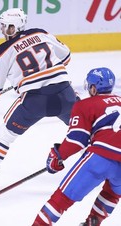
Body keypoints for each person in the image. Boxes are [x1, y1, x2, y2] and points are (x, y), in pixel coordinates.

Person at [0, 8, 77, 188]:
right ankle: (108, 154)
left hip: (35, 101)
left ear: (12, 27)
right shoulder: (40, 33)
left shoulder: (1, 51)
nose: (3, 29)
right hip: (65, 94)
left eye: (5, 26)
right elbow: (65, 56)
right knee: (87, 126)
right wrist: (43, 71)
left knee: (5, 134)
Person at [32, 67, 121, 226]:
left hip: (101, 157)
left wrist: (57, 156)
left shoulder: (86, 104)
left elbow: (76, 141)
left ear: (93, 88)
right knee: (112, 194)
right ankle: (93, 222)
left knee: (61, 199)